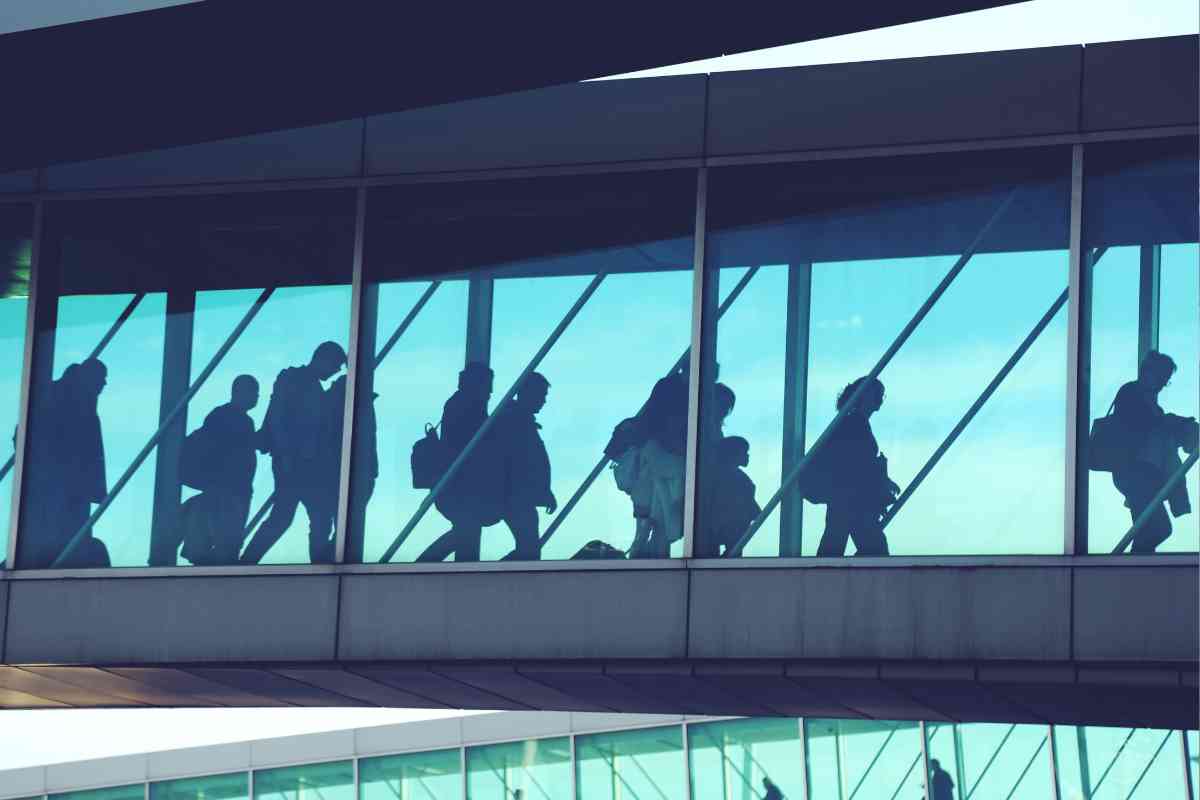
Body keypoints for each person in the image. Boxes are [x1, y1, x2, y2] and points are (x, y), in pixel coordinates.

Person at [240, 341, 346, 565]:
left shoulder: (308, 385)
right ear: (323, 359)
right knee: (290, 517)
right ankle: (248, 562)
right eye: (335, 365)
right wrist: (286, 456)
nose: (336, 370)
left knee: (310, 517)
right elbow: (279, 418)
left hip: (302, 463)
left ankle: (250, 561)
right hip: (293, 462)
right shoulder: (295, 380)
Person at [21, 358, 111, 568]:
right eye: (102, 379)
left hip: (67, 488)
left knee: (67, 540)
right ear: (90, 378)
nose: (104, 384)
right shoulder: (63, 399)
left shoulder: (72, 397)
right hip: (61, 488)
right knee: (63, 539)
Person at [1110, 351, 1197, 553]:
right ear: (1148, 372)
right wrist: (1171, 422)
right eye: (1161, 379)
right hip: (1134, 473)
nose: (1161, 385)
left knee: (1152, 529)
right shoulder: (1131, 393)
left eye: (1165, 381)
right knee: (1158, 528)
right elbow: (1142, 427)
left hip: (1141, 475)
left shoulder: (1145, 399)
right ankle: (1133, 568)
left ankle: (1133, 568)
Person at [419, 362, 504, 562]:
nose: (490, 392)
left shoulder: (460, 403)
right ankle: (427, 564)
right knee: (466, 531)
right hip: (461, 486)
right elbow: (470, 444)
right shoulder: (466, 406)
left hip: (461, 486)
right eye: (487, 386)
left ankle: (455, 571)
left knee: (466, 532)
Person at [178, 375, 259, 565]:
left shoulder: (223, 416)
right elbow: (233, 454)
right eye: (254, 392)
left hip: (226, 488)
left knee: (221, 541)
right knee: (227, 543)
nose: (256, 397)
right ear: (240, 392)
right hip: (230, 489)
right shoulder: (236, 420)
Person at [815, 376, 898, 557]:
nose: (880, 399)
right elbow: (855, 465)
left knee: (834, 546)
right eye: (879, 394)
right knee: (874, 551)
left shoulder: (851, 422)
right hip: (853, 501)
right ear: (867, 395)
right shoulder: (854, 423)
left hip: (846, 499)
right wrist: (880, 480)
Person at [495, 372, 556, 560]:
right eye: (542, 395)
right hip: (516, 497)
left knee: (528, 549)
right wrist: (541, 492)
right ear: (529, 393)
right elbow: (523, 465)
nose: (544, 401)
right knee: (529, 550)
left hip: (519, 496)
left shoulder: (517, 419)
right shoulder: (514, 421)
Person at [705, 436, 761, 557]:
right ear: (733, 454)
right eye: (744, 452)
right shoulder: (736, 478)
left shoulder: (722, 475)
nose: (748, 456)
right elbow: (745, 503)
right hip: (725, 528)